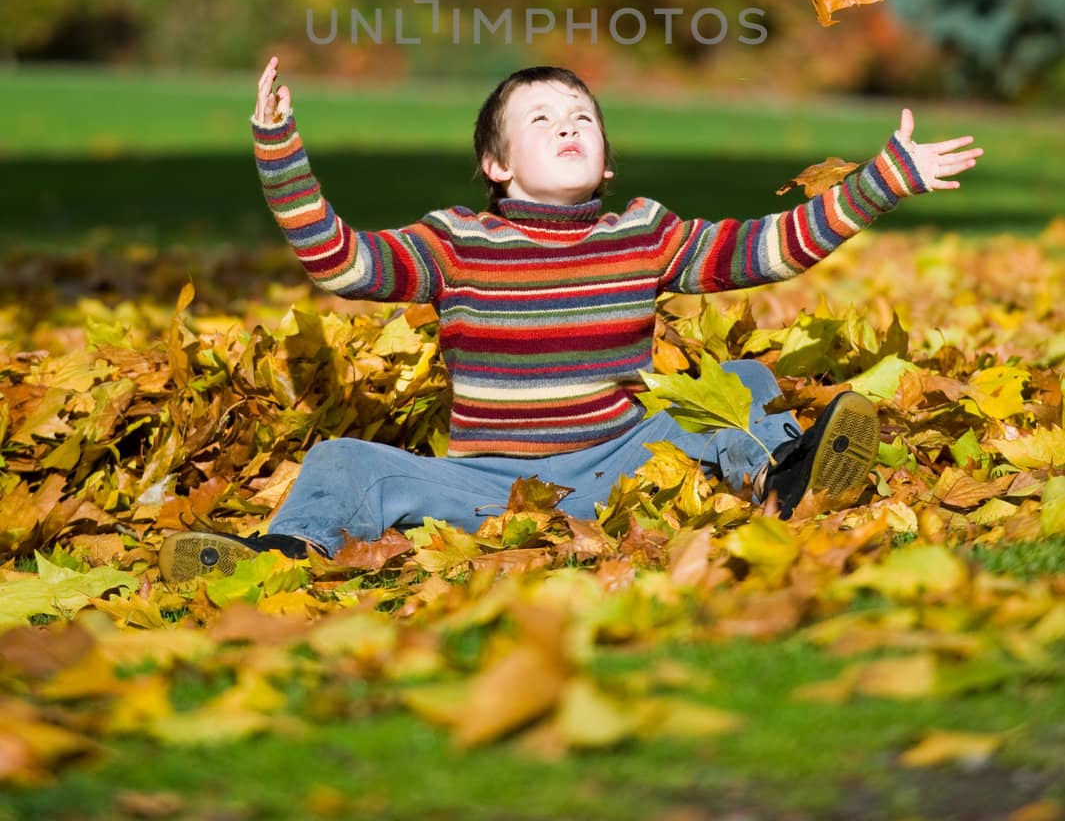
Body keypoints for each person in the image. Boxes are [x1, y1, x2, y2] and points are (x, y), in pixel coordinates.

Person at [159, 59, 984, 581]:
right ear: (496, 163)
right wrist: (280, 153)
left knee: (739, 383)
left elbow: (766, 249)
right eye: (540, 119)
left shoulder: (644, 232)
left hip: (624, 462)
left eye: (581, 117)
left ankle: (786, 478)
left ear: (606, 157)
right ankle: (279, 558)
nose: (565, 125)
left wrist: (880, 180)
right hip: (483, 487)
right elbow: (339, 262)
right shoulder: (455, 241)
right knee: (342, 462)